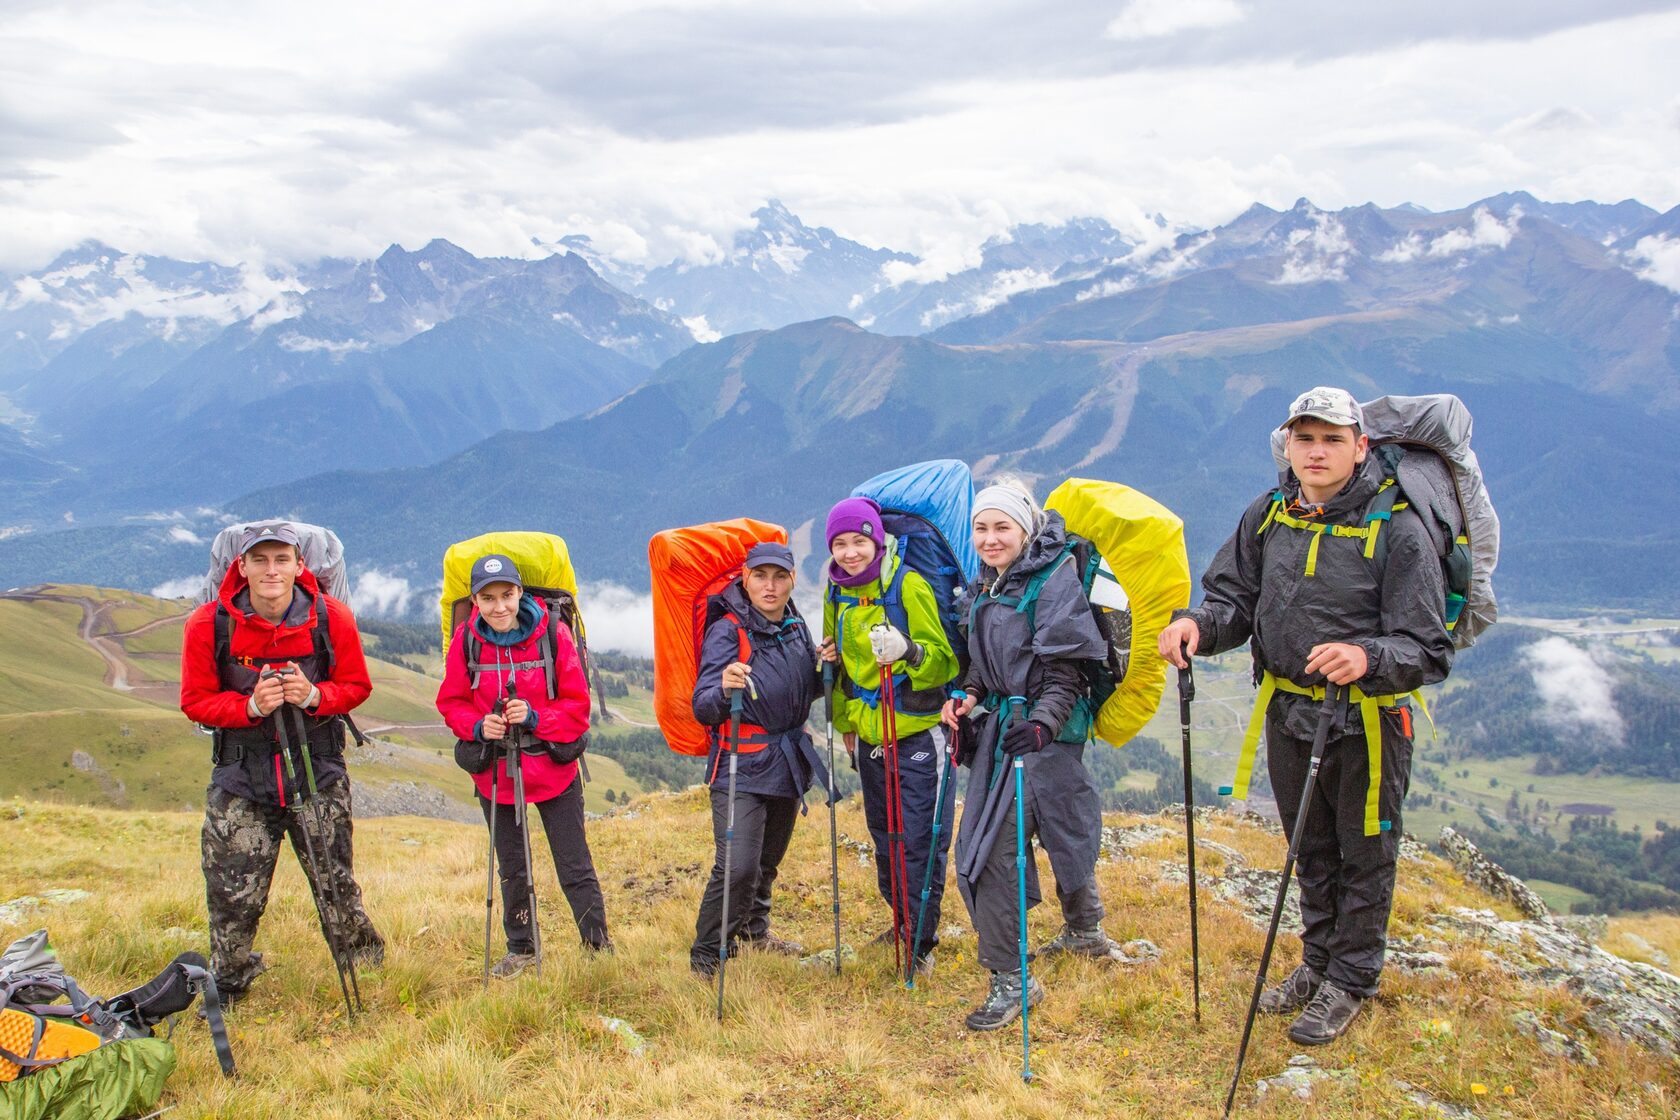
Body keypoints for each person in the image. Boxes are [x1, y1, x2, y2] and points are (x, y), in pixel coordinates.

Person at [1158, 386, 1453, 1045]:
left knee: (1364, 854)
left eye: (1331, 439)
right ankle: (1317, 964)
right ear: (1286, 445)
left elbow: (1427, 649)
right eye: (1304, 438)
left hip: (1369, 724)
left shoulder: (1399, 530)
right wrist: (1197, 629)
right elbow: (1233, 601)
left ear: (1360, 445)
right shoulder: (1269, 515)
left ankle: (1350, 980)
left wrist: (1366, 655)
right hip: (1288, 709)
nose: (1316, 452)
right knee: (1309, 848)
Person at [943, 480, 1128, 1031]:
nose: (990, 538)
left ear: (1025, 529)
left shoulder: (1051, 580)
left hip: (1043, 734)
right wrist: (969, 696)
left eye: (1002, 527)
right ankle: (1084, 931)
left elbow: (1067, 667)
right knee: (1046, 830)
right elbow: (984, 660)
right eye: (981, 528)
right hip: (1006, 729)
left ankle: (1014, 981)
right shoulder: (988, 585)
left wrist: (1043, 726)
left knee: (997, 849)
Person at [179, 522, 383, 1004]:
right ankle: (229, 980)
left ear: (298, 565)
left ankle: (363, 964)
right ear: (241, 566)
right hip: (241, 776)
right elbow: (195, 700)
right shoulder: (209, 625)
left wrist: (313, 695)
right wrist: (248, 708)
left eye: (282, 560)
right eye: (261, 560)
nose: (272, 570)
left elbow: (357, 686)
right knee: (232, 892)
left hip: (317, 771)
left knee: (335, 883)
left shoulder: (331, 619)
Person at [436, 553, 609, 978]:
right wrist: (478, 725)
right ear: (474, 600)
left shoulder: (555, 634)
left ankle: (598, 947)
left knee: (574, 863)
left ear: (520, 593)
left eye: (507, 595)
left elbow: (577, 708)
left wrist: (535, 718)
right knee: (512, 866)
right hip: (497, 772)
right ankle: (521, 948)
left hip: (552, 768)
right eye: (488, 598)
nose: (499, 607)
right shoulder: (466, 641)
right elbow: (451, 702)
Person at [819, 496, 960, 977]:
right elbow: (837, 670)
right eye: (840, 543)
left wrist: (910, 650)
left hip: (919, 731)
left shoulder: (909, 586)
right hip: (869, 733)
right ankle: (902, 921)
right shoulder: (835, 593)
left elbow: (945, 662)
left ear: (878, 541)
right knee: (885, 837)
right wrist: (845, 727)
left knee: (920, 838)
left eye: (859, 541)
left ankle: (920, 942)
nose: (850, 552)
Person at [688, 541, 829, 976]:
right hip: (740, 765)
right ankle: (707, 955)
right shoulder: (727, 631)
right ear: (744, 578)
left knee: (767, 861)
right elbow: (702, 705)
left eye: (779, 576)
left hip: (785, 762)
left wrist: (827, 667)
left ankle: (754, 931)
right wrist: (725, 685)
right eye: (760, 576)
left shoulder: (794, 623)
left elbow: (802, 689)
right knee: (737, 866)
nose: (770, 586)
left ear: (792, 580)